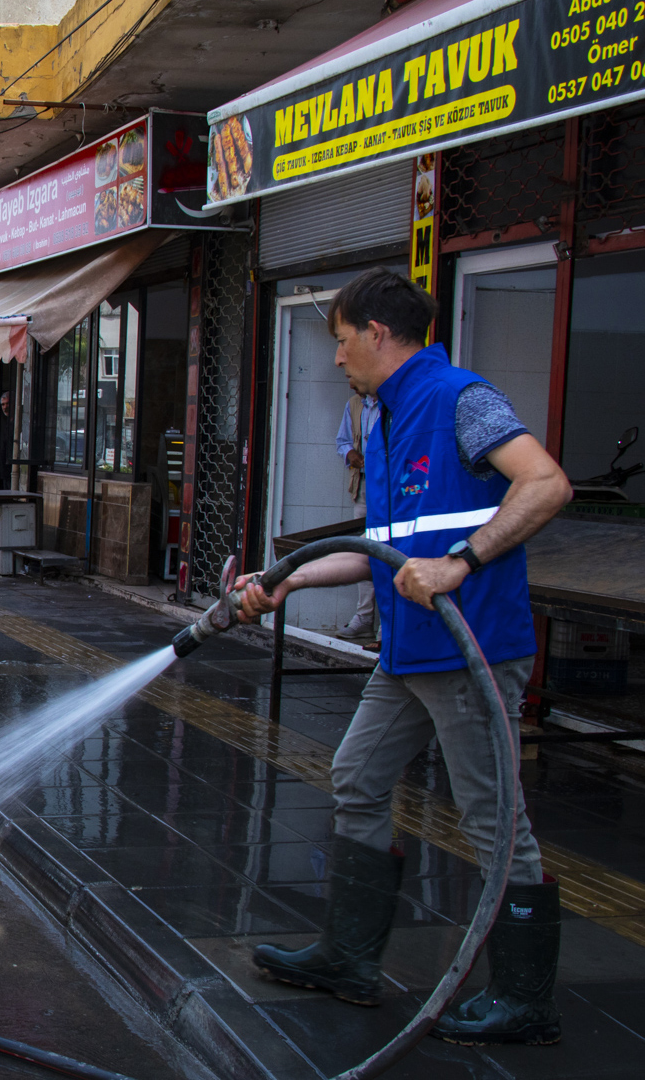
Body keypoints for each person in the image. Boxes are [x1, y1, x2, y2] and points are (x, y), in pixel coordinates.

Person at [232, 268, 571, 1047]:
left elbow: (546, 484)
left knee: (491, 815)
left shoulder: (460, 398)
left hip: (470, 647)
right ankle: (349, 958)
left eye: (342, 341)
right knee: (355, 776)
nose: (338, 358)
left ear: (377, 334)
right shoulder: (382, 416)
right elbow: (377, 553)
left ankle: (525, 997)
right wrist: (281, 580)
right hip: (409, 651)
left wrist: (461, 560)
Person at [336, 391, 383, 642]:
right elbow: (342, 441)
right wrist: (349, 453)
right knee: (362, 551)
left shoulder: (393, 401)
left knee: (388, 552)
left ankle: (387, 627)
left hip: (389, 488)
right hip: (364, 487)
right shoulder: (354, 403)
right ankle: (364, 618)